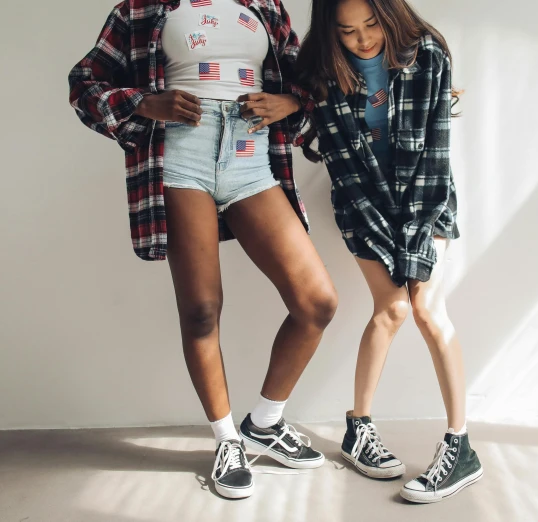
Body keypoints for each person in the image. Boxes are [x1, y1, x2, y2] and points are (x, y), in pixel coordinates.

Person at [68, 0, 338, 500]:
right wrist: (144, 103)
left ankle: (266, 422)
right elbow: (85, 81)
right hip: (181, 158)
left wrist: (291, 103)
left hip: (251, 159)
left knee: (316, 303)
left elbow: (311, 78)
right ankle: (226, 439)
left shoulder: (265, 7)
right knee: (200, 311)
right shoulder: (139, 8)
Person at [296, 0, 482, 503]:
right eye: (348, 31)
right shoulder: (323, 72)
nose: (362, 40)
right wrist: (293, 103)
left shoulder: (427, 56)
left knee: (426, 308)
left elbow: (435, 154)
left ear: (389, 13)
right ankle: (359, 427)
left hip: (426, 198)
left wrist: (414, 238)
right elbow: (340, 164)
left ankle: (460, 446)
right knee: (392, 309)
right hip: (363, 204)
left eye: (371, 25)